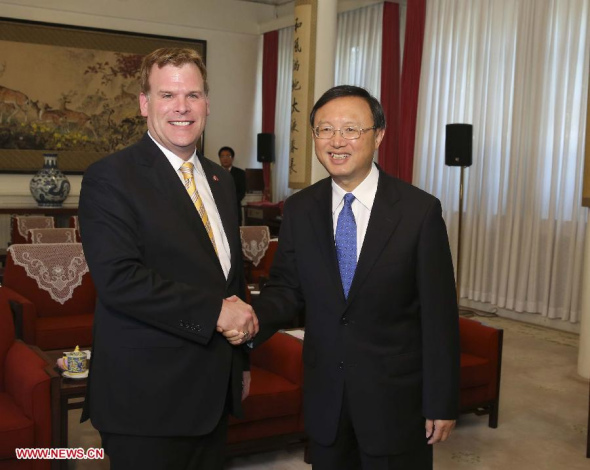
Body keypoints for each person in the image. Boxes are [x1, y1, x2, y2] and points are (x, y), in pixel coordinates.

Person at [225, 85, 460, 469]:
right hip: (326, 401)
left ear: (378, 135)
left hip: (396, 404)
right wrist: (250, 320)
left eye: (351, 130)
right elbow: (286, 289)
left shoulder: (419, 213)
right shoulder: (301, 209)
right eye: (325, 129)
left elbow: (439, 317)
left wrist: (442, 400)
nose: (337, 141)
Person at [78, 48, 258, 470]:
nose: (181, 107)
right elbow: (120, 281)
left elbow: (230, 280)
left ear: (207, 105)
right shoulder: (110, 177)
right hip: (146, 401)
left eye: (193, 95)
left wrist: (242, 363)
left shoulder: (221, 180)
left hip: (212, 395)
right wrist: (216, 312)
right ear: (144, 104)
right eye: (167, 95)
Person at [218, 146, 246, 225]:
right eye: (222, 156)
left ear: (232, 158)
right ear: (219, 158)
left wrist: (230, 202)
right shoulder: (214, 172)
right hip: (219, 209)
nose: (225, 158)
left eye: (228, 156)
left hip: (234, 209)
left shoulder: (240, 173)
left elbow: (242, 192)